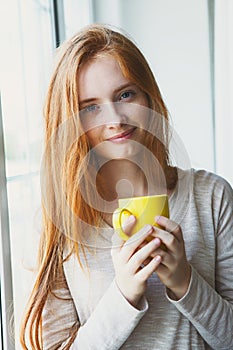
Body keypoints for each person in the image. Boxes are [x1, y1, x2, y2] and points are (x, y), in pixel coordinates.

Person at [20, 23, 233, 350]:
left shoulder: (212, 197)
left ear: (149, 97)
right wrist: (124, 294)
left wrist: (184, 281)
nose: (115, 119)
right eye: (90, 107)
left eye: (125, 94)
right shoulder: (61, 222)